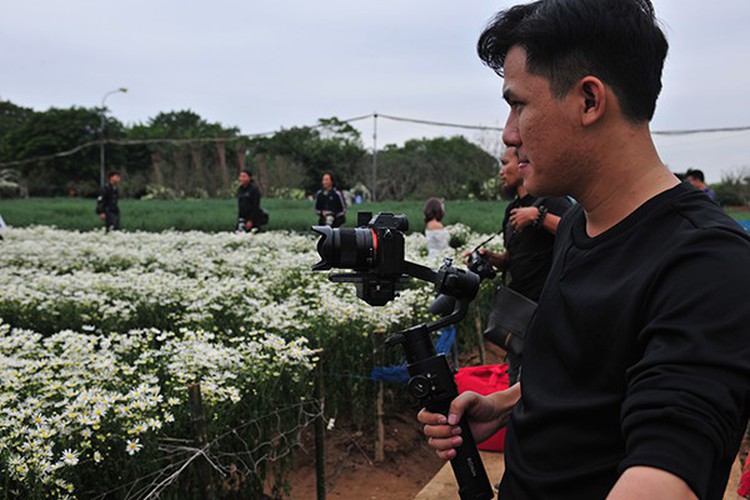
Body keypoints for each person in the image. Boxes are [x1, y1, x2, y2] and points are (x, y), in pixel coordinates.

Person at [418, 2, 750, 499]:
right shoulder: (577, 223)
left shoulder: (708, 261)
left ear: (589, 100)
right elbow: (586, 370)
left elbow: (667, 469)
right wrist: (504, 405)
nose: (509, 134)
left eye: (519, 104)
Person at [478, 146, 571, 384]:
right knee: (515, 371)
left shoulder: (552, 199)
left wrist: (538, 217)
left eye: (504, 163)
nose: (501, 171)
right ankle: (515, 420)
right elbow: (515, 256)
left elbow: (577, 232)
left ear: (523, 165)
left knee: (540, 375)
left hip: (546, 305)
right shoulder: (512, 209)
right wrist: (493, 258)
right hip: (519, 307)